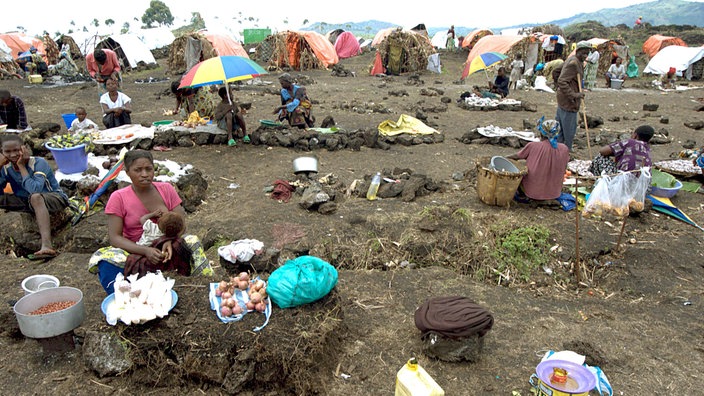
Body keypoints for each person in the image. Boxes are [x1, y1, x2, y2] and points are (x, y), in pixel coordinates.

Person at [88, 150, 213, 294]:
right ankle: (125, 298)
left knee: (192, 241)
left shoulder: (166, 189)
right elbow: (115, 238)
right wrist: (145, 251)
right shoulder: (118, 197)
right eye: (138, 170)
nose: (145, 174)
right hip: (136, 249)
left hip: (168, 248)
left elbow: (181, 224)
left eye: (149, 169)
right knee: (105, 259)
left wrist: (169, 241)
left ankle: (203, 287)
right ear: (127, 172)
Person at [0, 135, 69, 259]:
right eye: (8, 152)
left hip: (53, 198)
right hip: (26, 201)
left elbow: (34, 190)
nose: (13, 155)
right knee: (31, 199)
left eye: (16, 150)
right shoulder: (6, 168)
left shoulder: (37, 163)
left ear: (24, 148)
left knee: (35, 197)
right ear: (2, 152)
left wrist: (21, 166)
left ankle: (47, 245)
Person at [506, 117, 570, 201]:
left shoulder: (533, 146)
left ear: (541, 133)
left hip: (531, 192)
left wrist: (504, 158)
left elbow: (516, 157)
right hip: (555, 193)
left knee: (519, 166)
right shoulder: (564, 149)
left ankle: (525, 193)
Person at [555, 41, 591, 151]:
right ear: (577, 51)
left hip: (563, 100)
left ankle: (558, 151)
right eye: (583, 53)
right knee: (568, 132)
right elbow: (562, 80)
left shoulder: (573, 60)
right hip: (569, 102)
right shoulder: (573, 63)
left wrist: (559, 89)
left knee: (560, 129)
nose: (585, 56)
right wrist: (574, 94)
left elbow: (556, 71)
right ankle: (566, 152)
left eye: (587, 53)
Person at [589, 125, 654, 176]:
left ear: (635, 135)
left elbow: (603, 151)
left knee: (600, 158)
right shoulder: (647, 149)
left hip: (623, 180)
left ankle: (602, 182)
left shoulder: (630, 142)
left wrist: (616, 152)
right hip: (642, 184)